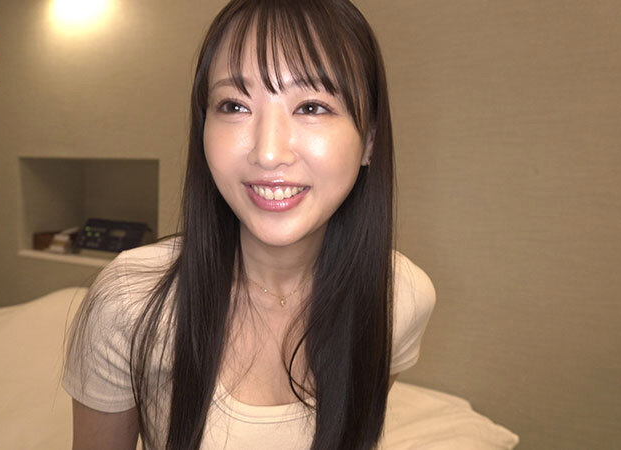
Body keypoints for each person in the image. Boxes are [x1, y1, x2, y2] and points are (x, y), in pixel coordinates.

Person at [61, 0, 436, 449]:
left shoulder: (401, 296)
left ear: (369, 140)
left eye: (312, 106)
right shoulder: (130, 299)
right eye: (235, 105)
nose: (268, 152)